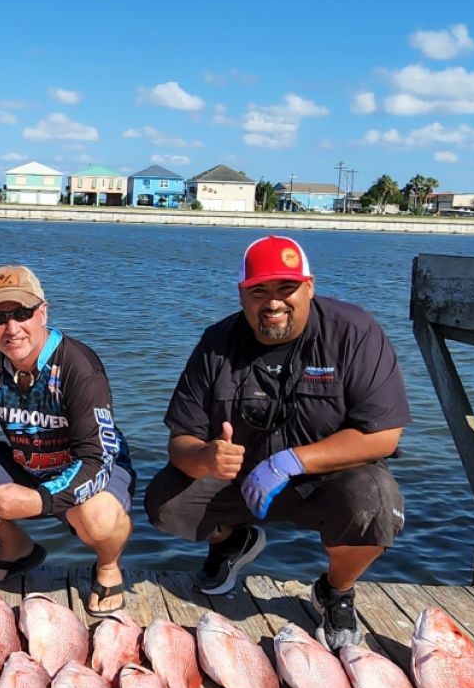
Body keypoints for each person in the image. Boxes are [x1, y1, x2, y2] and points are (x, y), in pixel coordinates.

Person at [145, 235, 410, 651]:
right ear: (242, 294)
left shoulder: (355, 331)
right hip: (239, 481)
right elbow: (180, 440)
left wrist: (293, 461)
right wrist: (205, 457)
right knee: (164, 498)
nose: (273, 302)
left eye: (286, 288)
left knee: (376, 503)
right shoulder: (216, 342)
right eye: (259, 291)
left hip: (327, 478)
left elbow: (383, 433)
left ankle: (335, 591)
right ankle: (232, 541)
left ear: (309, 287)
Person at [0, 265, 135, 616]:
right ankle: (16, 547)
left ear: (43, 312)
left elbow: (97, 459)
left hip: (86, 466)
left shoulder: (78, 366)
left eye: (22, 313)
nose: (12, 328)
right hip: (26, 461)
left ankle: (107, 566)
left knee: (100, 517)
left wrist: (39, 501)